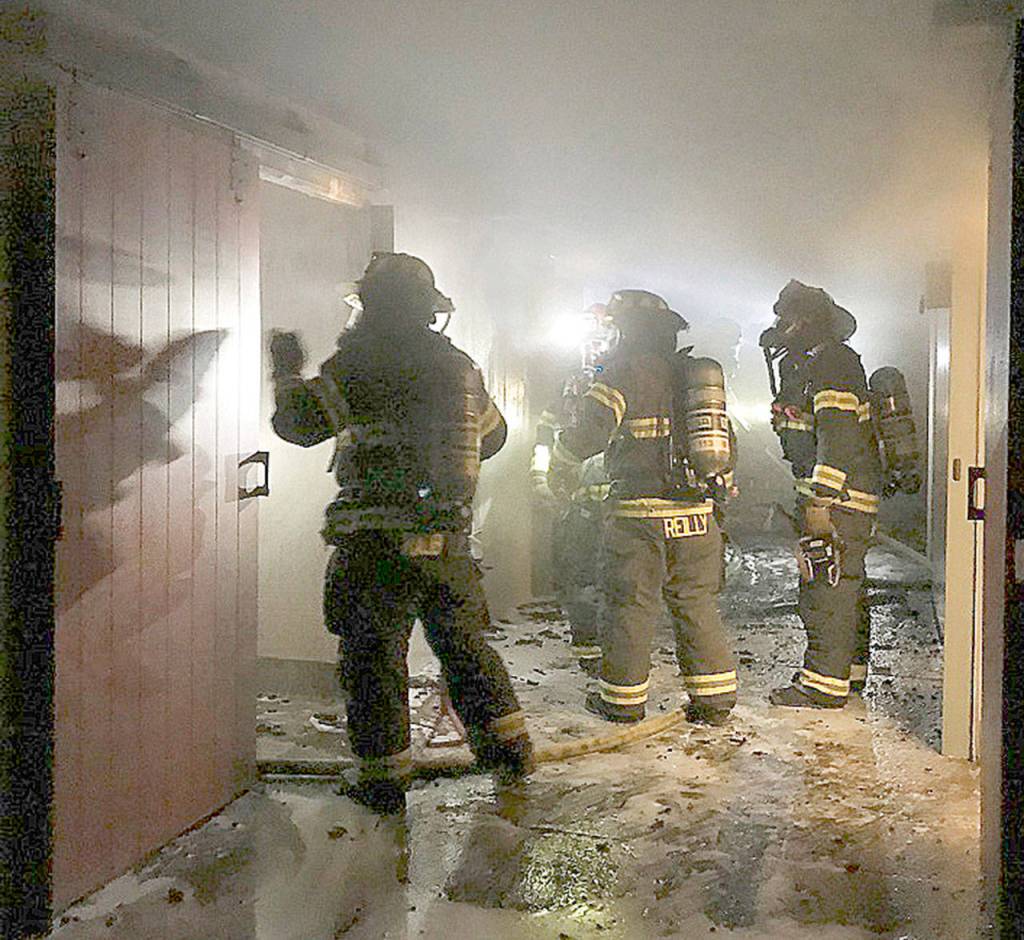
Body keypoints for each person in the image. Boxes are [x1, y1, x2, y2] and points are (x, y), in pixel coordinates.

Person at [270, 251, 533, 812]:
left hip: (375, 541)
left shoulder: (355, 365)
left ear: (371, 305)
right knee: (464, 647)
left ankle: (383, 780)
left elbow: (297, 425)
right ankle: (510, 753)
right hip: (446, 538)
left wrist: (287, 373)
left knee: (372, 656)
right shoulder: (458, 366)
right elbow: (493, 438)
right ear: (427, 310)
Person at [560, 289, 738, 726]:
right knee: (696, 604)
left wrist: (560, 463)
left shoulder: (622, 372)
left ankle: (621, 701)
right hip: (697, 517)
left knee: (629, 606)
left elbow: (588, 434)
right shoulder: (694, 378)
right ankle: (714, 701)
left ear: (627, 329)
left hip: (640, 519)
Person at [760, 280, 881, 707]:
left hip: (838, 500)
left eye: (787, 318)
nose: (780, 327)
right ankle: (848, 673)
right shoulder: (816, 364)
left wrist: (819, 503)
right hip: (844, 496)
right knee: (845, 586)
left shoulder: (832, 363)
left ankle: (822, 685)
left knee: (825, 588)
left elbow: (838, 435)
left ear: (807, 321)